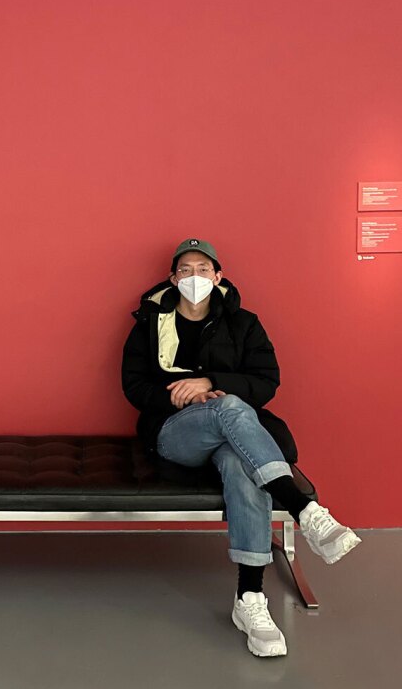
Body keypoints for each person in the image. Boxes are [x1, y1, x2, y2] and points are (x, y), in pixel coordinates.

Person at [121, 238, 361, 658]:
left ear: (218, 276)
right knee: (229, 407)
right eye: (185, 270)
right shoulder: (150, 323)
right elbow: (133, 386)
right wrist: (186, 396)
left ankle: (249, 599)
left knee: (239, 463)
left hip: (233, 439)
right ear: (173, 279)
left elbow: (266, 381)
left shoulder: (244, 323)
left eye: (203, 269)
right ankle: (305, 510)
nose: (194, 277)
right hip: (175, 432)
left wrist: (212, 382)